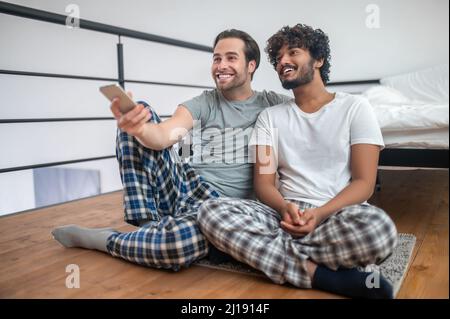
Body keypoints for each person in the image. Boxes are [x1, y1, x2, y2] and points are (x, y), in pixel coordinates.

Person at [51, 29, 291, 270]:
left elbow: (311, 108)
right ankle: (148, 227)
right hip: (185, 186)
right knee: (139, 111)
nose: (221, 65)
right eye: (216, 58)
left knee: (177, 246)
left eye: (231, 58)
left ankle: (108, 239)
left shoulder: (272, 104)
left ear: (251, 65)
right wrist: (139, 129)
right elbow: (163, 135)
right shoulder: (203, 103)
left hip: (224, 209)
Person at [197, 24, 398, 298]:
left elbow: (364, 183)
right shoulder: (271, 117)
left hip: (336, 213)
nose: (283, 62)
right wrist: (284, 208)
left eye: (293, 53)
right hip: (282, 215)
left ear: (318, 59)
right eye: (278, 58)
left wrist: (319, 214)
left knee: (380, 230)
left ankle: (254, 252)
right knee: (211, 211)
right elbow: (264, 184)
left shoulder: (355, 108)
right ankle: (319, 274)